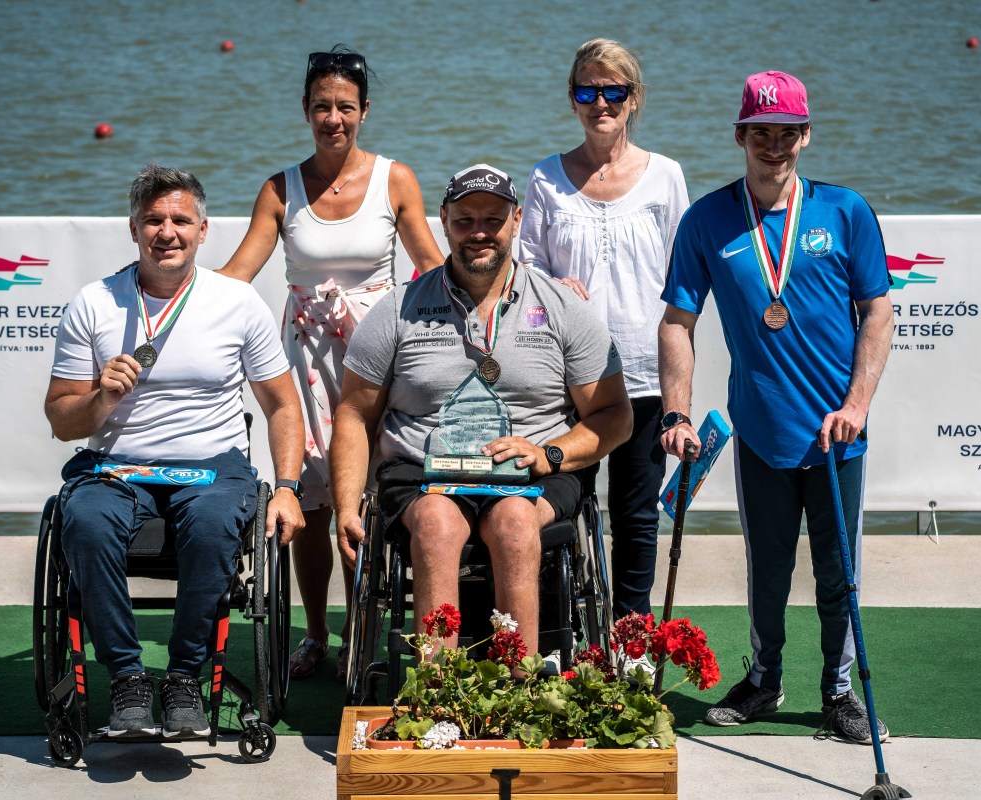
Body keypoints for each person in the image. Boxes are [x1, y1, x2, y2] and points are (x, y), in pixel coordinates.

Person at [658, 71, 895, 744]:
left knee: (838, 575)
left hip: (835, 435)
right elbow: (676, 322)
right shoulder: (707, 220)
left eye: (787, 133)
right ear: (740, 136)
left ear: (806, 136)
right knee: (767, 570)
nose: (773, 145)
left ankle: (840, 694)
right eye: (760, 132)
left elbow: (878, 313)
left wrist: (856, 405)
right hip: (761, 432)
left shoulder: (845, 212)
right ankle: (765, 679)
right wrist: (677, 414)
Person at [45, 164, 306, 738]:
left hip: (211, 467)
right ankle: (127, 679)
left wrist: (287, 488)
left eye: (180, 220)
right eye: (153, 220)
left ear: (202, 230)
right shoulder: (94, 303)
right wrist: (99, 399)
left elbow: (284, 406)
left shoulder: (237, 301)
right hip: (117, 467)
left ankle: (185, 677)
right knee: (84, 522)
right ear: (133, 229)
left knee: (212, 527)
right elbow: (61, 420)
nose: (167, 232)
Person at [330, 164, 632, 659]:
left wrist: (551, 454)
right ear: (444, 220)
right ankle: (436, 687)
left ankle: (520, 682)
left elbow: (614, 414)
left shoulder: (563, 307)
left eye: (492, 220)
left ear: (516, 220)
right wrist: (346, 507)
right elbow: (354, 413)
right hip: (423, 471)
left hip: (533, 470)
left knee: (514, 522)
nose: (479, 233)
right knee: (436, 524)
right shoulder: (397, 308)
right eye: (464, 220)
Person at [218, 46, 443, 681]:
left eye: (346, 106)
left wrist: (496, 299)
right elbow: (237, 275)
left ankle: (360, 633)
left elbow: (432, 266)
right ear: (305, 110)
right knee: (313, 504)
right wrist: (168, 295)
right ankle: (317, 634)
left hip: (377, 358)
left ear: (364, 111)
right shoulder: (279, 189)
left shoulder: (395, 179)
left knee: (362, 500)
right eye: (322, 106)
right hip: (307, 360)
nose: (333, 119)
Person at [519, 38, 690, 627]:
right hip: (570, 382)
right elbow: (525, 274)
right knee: (558, 508)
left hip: (644, 376)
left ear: (633, 98)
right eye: (587, 91)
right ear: (571, 100)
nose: (600, 103)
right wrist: (553, 285)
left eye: (613, 91)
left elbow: (683, 283)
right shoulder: (544, 178)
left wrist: (680, 392)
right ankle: (559, 637)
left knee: (637, 517)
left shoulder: (666, 176)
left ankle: (631, 640)